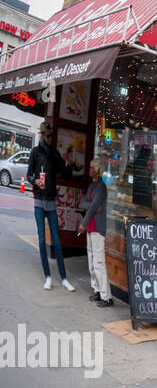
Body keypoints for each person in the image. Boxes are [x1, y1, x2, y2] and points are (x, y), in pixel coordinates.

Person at [27, 121, 75, 292]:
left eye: (51, 136)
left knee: (58, 242)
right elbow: (29, 175)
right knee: (41, 240)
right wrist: (35, 181)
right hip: (39, 202)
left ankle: (63, 278)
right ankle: (48, 276)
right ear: (41, 135)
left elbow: (66, 175)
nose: (50, 139)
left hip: (52, 203)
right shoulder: (35, 152)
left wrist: (70, 163)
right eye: (48, 136)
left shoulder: (54, 153)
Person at [78, 158, 113, 308]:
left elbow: (92, 207)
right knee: (92, 262)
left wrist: (82, 224)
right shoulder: (92, 185)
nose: (90, 170)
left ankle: (107, 297)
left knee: (98, 263)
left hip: (97, 228)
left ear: (97, 170)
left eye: (92, 168)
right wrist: (91, 206)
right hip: (91, 228)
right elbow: (84, 203)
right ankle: (97, 290)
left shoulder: (101, 187)